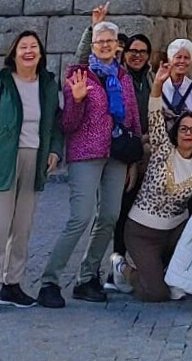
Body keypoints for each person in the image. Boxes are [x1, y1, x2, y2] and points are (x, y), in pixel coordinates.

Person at [39, 18, 141, 308]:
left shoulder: (123, 77)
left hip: (118, 154)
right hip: (86, 153)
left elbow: (133, 118)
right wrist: (78, 99)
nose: (106, 45)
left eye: (111, 40)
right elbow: (68, 124)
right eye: (100, 41)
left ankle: (87, 277)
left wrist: (134, 160)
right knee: (80, 218)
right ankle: (50, 280)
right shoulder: (78, 74)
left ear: (117, 45)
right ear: (92, 45)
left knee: (109, 217)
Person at [0, 30, 63, 314]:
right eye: (23, 47)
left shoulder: (47, 85)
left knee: (23, 227)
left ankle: (13, 283)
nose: (29, 51)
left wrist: (55, 150)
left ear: (41, 54)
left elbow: (55, 123)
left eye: (34, 47)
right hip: (2, 161)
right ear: (14, 53)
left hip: (35, 160)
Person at [122, 69, 192, 303]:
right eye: (184, 129)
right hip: (142, 232)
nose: (188, 133)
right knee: (156, 294)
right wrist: (157, 86)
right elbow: (155, 116)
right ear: (176, 133)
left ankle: (164, 269)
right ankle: (124, 269)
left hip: (175, 233)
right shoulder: (162, 149)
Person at [159, 38, 192, 132]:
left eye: (186, 58)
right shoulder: (159, 85)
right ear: (170, 59)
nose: (182, 61)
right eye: (178, 57)